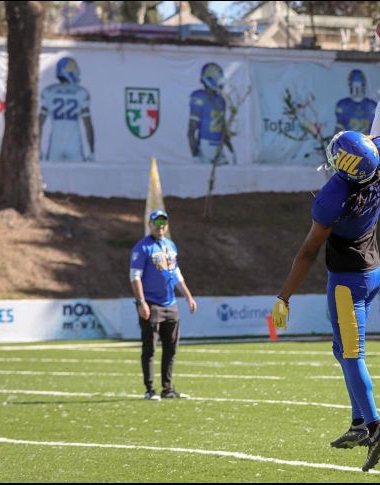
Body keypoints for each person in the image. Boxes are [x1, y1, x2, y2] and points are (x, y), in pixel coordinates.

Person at [271, 37, 380, 473]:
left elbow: (307, 251)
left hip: (349, 282)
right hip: (372, 273)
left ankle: (375, 429)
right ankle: (358, 422)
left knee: (352, 356)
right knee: (342, 351)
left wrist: (284, 296)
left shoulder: (334, 197)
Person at [130, 210, 198, 400]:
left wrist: (188, 296)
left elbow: (176, 274)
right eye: (157, 223)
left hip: (171, 304)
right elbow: (135, 276)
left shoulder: (170, 245)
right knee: (149, 348)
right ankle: (149, 389)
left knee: (171, 348)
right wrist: (141, 302)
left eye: (163, 223)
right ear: (150, 224)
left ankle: (167, 388)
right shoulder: (142, 247)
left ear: (167, 226)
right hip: (151, 304)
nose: (160, 227)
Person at [39, 57, 95, 162]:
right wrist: (92, 151)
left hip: (56, 143)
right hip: (74, 144)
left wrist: (37, 149)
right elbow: (88, 125)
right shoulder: (81, 92)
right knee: (78, 177)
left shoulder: (49, 91)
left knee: (50, 177)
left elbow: (39, 124)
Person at [189, 62, 237, 165]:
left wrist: (231, 149)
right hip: (205, 146)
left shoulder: (220, 100)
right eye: (216, 76)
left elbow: (222, 128)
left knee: (225, 178)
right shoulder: (199, 97)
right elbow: (191, 131)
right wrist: (195, 156)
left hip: (219, 146)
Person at [335, 69, 378, 133]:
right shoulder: (342, 105)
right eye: (354, 86)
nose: (357, 89)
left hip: (367, 141)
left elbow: (376, 130)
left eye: (359, 85)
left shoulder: (372, 105)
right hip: (349, 141)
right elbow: (339, 129)